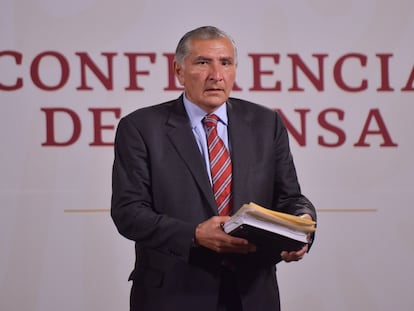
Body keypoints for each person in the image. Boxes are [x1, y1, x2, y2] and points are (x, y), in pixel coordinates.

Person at [111, 26, 317, 311]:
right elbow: (128, 212)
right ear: (179, 72)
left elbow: (290, 197)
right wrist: (194, 234)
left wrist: (301, 223)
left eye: (226, 63)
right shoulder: (141, 128)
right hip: (172, 295)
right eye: (202, 62)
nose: (216, 75)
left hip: (252, 295)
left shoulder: (266, 124)